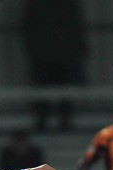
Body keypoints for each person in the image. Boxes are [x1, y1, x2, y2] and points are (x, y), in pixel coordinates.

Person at [20, 0, 87, 131]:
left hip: (55, 57)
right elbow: (76, 28)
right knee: (47, 92)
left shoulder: (37, 5)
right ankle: (49, 120)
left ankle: (54, 120)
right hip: (50, 57)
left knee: (60, 92)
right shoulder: (65, 5)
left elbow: (75, 28)